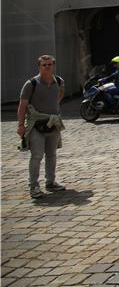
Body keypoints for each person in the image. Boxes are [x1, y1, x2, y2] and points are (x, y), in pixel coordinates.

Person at [17, 55, 66, 199]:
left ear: (53, 65)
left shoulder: (59, 81)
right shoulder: (31, 84)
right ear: (39, 66)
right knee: (37, 156)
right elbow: (22, 106)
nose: (47, 67)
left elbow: (59, 97)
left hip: (53, 123)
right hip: (36, 125)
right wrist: (21, 125)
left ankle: (50, 182)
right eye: (44, 65)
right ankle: (34, 186)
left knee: (52, 155)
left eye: (49, 64)